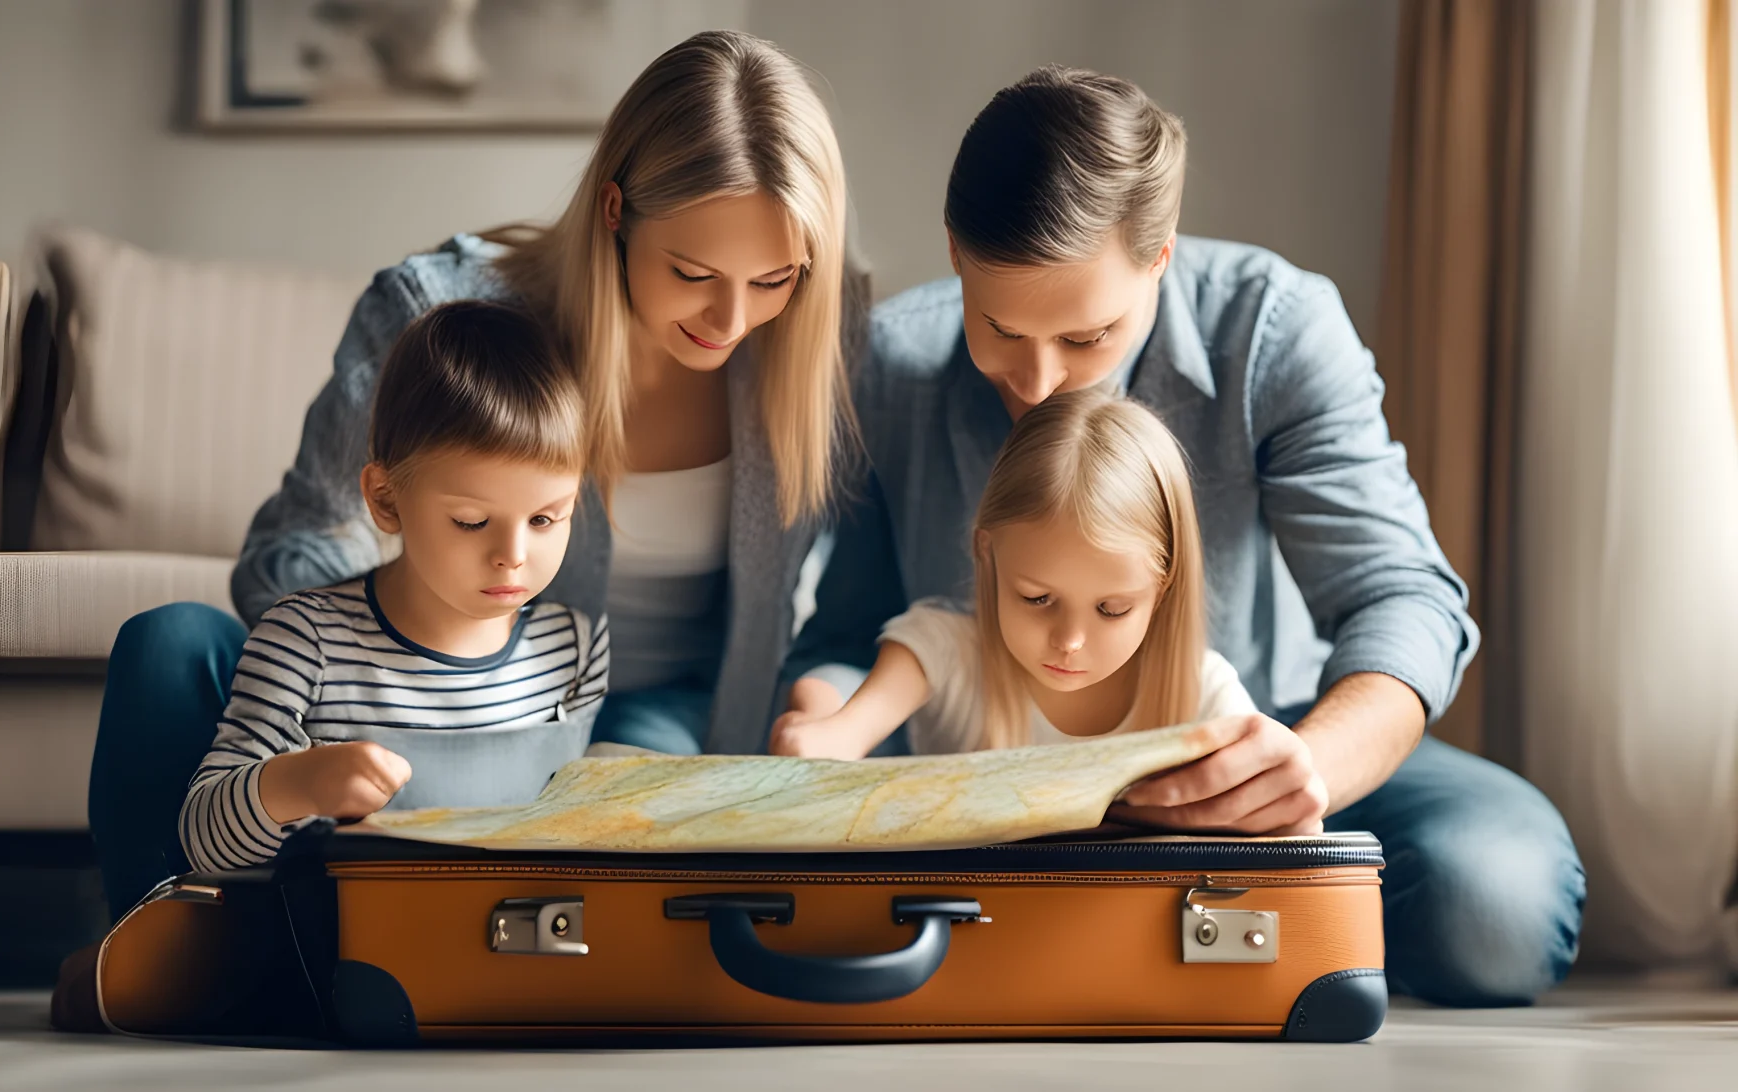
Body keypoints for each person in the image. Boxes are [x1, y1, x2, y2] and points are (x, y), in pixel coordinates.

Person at [786, 65, 1584, 1007]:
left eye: (1087, 338)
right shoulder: (888, 365)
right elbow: (851, 633)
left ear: (1159, 256)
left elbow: (1402, 598)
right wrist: (822, 720)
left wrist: (1303, 771)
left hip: (1271, 735)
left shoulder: (1275, 332)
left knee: (1495, 907)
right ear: (957, 253)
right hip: (989, 773)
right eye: (999, 329)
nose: (1038, 384)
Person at [88, 29, 857, 920]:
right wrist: (429, 675)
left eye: (774, 278)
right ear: (615, 210)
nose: (733, 318)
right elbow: (289, 557)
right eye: (693, 272)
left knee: (625, 766)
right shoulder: (447, 319)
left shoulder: (813, 346)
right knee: (173, 643)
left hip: (649, 727)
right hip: (405, 698)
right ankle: (147, 949)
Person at [179, 301, 609, 873]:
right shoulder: (306, 642)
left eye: (545, 519)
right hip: (345, 951)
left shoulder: (576, 648)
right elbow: (203, 844)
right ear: (386, 499)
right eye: (471, 522)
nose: (513, 556)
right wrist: (297, 782)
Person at [771, 388, 1257, 762]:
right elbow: (847, 730)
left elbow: (1288, 832)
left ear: (1164, 586)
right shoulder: (941, 650)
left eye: (1112, 609)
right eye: (1037, 599)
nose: (1069, 640)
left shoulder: (1205, 690)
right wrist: (821, 720)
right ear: (987, 552)